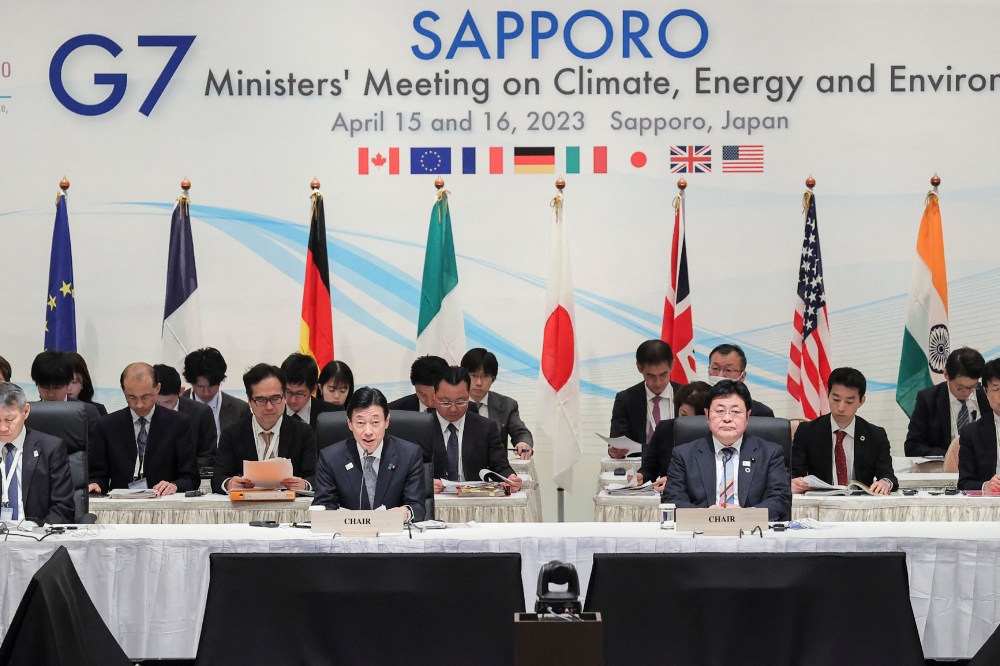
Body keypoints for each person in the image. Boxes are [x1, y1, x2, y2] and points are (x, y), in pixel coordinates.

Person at [663, 380, 791, 521]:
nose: (727, 418)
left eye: (736, 412)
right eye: (719, 411)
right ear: (707, 414)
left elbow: (780, 500)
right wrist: (706, 515)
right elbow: (672, 500)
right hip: (701, 533)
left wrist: (746, 516)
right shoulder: (684, 454)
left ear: (748, 416)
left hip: (752, 534)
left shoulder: (770, 453)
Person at [312, 387, 425, 520]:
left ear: (387, 421)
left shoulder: (409, 455)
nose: (368, 431)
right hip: (348, 537)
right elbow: (323, 506)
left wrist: (405, 513)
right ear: (350, 423)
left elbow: (417, 507)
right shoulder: (331, 458)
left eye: (375, 422)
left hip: (393, 536)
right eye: (360, 423)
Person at [88, 363, 199, 497]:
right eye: (132, 397)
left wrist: (174, 486)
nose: (139, 405)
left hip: (163, 505)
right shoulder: (107, 425)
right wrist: (96, 484)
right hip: (121, 506)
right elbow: (98, 475)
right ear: (123, 391)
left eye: (145, 397)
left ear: (157, 389)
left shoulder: (178, 424)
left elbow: (191, 478)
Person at [212, 363, 316, 493]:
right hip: (247, 507)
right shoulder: (232, 434)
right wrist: (229, 484)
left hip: (289, 506)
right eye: (261, 400)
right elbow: (218, 478)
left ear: (284, 397)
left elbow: (314, 476)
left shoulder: (303, 432)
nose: (269, 407)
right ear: (249, 400)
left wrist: (304, 485)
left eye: (275, 398)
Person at [790, 368, 896, 494]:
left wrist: (885, 483)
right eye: (836, 399)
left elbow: (887, 475)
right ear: (827, 394)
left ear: (861, 401)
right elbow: (794, 473)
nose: (841, 407)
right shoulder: (807, 431)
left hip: (861, 504)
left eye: (849, 402)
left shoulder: (876, 435)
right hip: (821, 501)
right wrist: (793, 483)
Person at [430, 366, 522, 493]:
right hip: (436, 502)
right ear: (435, 397)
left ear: (468, 397)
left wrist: (510, 478)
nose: (453, 409)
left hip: (475, 500)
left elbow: (500, 467)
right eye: (445, 402)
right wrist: (426, 483)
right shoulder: (420, 428)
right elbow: (409, 472)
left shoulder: (486, 427)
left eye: (461, 402)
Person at [0, 382, 75, 524]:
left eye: (9, 420)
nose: (3, 428)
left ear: (26, 412)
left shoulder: (51, 449)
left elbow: (63, 507)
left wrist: (38, 533)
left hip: (37, 536)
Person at [905, 347, 990, 457]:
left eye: (973, 386)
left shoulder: (988, 397)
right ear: (946, 375)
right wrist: (951, 456)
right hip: (943, 470)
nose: (967, 393)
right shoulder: (928, 399)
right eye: (961, 388)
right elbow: (912, 446)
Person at [609, 340, 679, 458]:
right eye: (651, 375)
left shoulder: (686, 396)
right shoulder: (625, 399)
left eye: (663, 374)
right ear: (639, 368)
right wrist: (615, 450)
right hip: (639, 467)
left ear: (672, 365)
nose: (658, 383)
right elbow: (618, 440)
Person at [460, 348, 533, 460]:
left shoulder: (507, 405)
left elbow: (520, 431)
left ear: (493, 378)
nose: (479, 383)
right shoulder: (452, 404)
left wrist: (523, 442)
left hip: (495, 471)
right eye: (473, 375)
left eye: (485, 376)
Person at [637, 381, 711, 490]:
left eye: (694, 419)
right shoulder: (665, 429)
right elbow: (650, 469)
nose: (687, 422)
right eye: (683, 415)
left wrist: (676, 483)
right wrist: (641, 476)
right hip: (669, 499)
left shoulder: (721, 435)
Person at [153, 364, 218, 469]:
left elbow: (208, 457)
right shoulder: (143, 410)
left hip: (186, 477)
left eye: (167, 402)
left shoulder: (201, 413)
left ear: (180, 392)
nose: (161, 408)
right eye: (156, 402)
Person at [30, 350, 102, 444]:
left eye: (57, 388)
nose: (51, 394)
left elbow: (96, 451)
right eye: (45, 388)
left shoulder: (86, 413)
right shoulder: (27, 413)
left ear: (68, 384)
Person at [181, 347, 251, 437]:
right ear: (191, 382)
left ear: (220, 381)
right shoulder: (177, 407)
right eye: (200, 387)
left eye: (212, 386)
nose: (206, 392)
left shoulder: (240, 410)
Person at [958, 359, 1000, 492]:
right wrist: (986, 486)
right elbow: (964, 483)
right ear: (986, 392)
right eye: (997, 388)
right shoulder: (971, 434)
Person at [707, 344, 775, 417]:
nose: (720, 375)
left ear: (742, 376)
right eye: (715, 368)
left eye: (728, 370)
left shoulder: (761, 413)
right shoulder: (697, 406)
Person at [280, 353, 344, 428]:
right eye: (288, 392)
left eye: (300, 393)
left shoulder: (333, 414)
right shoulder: (272, 411)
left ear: (314, 388)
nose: (293, 400)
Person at [66, 352, 107, 417]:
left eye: (74, 382)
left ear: (83, 382)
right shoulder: (47, 409)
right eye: (64, 382)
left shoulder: (97, 410)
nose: (69, 388)